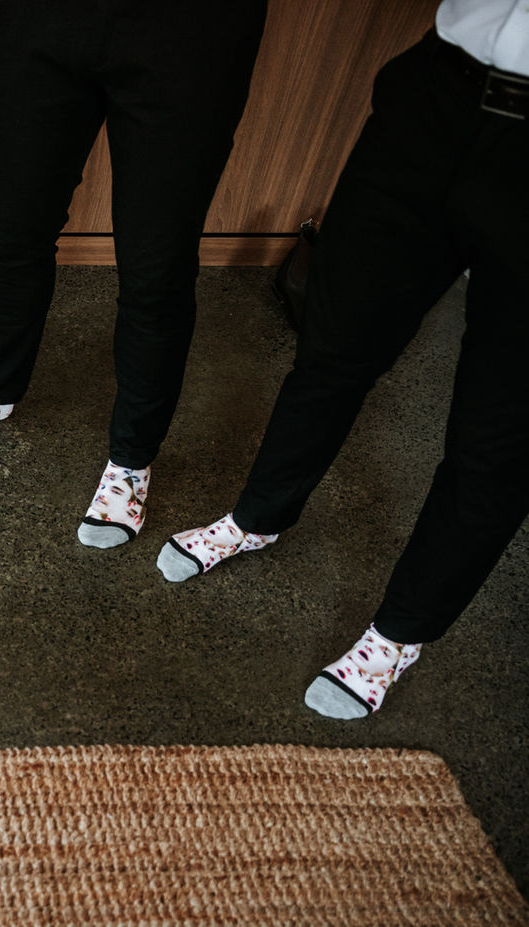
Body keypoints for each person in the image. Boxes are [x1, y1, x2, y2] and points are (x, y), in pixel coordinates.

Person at [157, 0, 529, 720]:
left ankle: (400, 631)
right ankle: (259, 515)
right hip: (438, 96)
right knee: (334, 346)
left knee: (500, 434)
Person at [0, 0, 267, 555]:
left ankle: (131, 459)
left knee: (156, 267)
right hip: (48, 14)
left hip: (191, 30)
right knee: (15, 229)